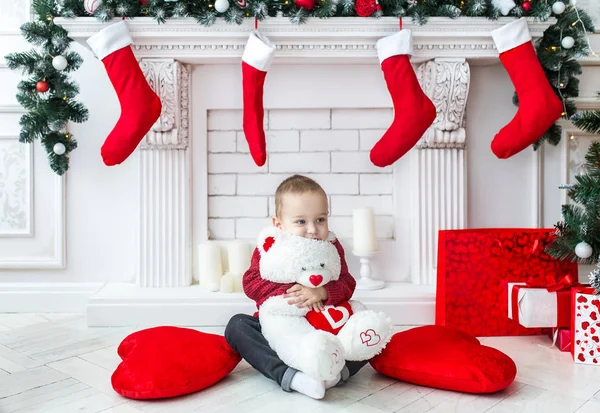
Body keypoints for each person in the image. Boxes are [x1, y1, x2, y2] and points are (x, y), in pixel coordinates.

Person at [224, 175, 368, 399]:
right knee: (237, 326)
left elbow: (348, 282)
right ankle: (290, 376)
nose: (312, 229)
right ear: (278, 224)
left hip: (325, 323)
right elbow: (251, 283)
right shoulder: (271, 246)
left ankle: (339, 372)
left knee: (366, 326)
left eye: (320, 219)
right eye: (301, 222)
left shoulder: (330, 245)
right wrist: (295, 289)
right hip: (283, 329)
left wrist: (323, 292)